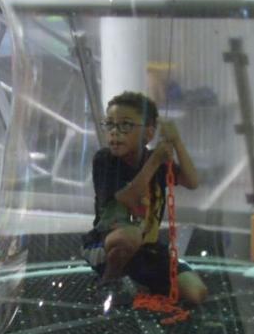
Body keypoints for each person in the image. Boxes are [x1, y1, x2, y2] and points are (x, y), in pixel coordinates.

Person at [81, 91, 208, 306]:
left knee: (196, 292)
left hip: (147, 250)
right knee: (128, 237)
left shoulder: (155, 160)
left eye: (126, 125)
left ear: (149, 133)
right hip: (106, 244)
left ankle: (140, 281)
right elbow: (128, 197)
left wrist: (176, 142)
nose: (115, 132)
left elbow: (192, 181)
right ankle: (109, 281)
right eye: (110, 125)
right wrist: (155, 161)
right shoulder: (105, 160)